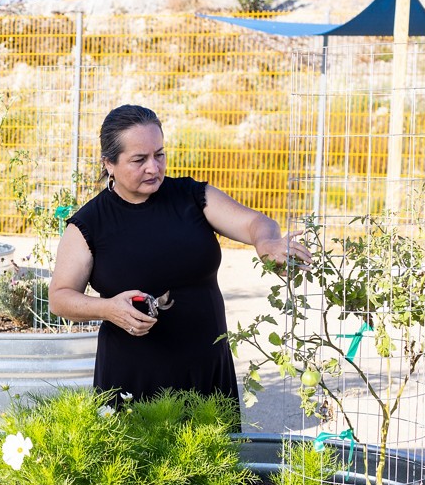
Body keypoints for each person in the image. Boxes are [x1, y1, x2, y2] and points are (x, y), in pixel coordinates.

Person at [49, 104, 311, 417]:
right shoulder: (88, 224)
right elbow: (59, 298)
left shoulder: (190, 196)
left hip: (206, 373)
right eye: (139, 159)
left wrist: (266, 242)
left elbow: (255, 223)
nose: (153, 167)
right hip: (134, 382)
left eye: (159, 154)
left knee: (216, 462)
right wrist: (107, 309)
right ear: (109, 164)